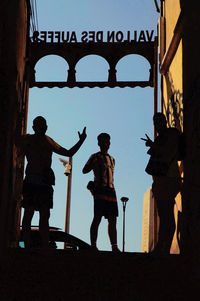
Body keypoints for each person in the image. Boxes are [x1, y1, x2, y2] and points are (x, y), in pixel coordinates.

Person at [18, 116, 87, 249]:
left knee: (42, 215)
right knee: (31, 214)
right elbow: (68, 152)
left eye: (44, 125)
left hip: (43, 182)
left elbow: (68, 152)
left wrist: (81, 141)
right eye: (41, 125)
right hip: (34, 181)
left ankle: (42, 246)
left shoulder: (46, 141)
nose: (44, 127)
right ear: (35, 127)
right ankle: (30, 247)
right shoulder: (30, 139)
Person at [142, 112, 182, 255]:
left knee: (166, 216)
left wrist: (153, 146)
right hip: (162, 180)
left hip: (168, 179)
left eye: (158, 121)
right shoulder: (165, 136)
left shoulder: (171, 134)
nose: (156, 125)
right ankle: (161, 247)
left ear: (164, 121)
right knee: (164, 215)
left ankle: (162, 248)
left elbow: (168, 153)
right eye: (155, 122)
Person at [82, 133, 120, 252]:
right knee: (97, 217)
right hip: (100, 190)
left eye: (107, 141)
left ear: (110, 143)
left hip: (111, 190)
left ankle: (114, 246)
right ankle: (93, 245)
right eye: (103, 141)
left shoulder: (112, 159)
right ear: (98, 143)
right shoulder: (95, 156)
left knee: (113, 219)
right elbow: (85, 170)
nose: (105, 144)